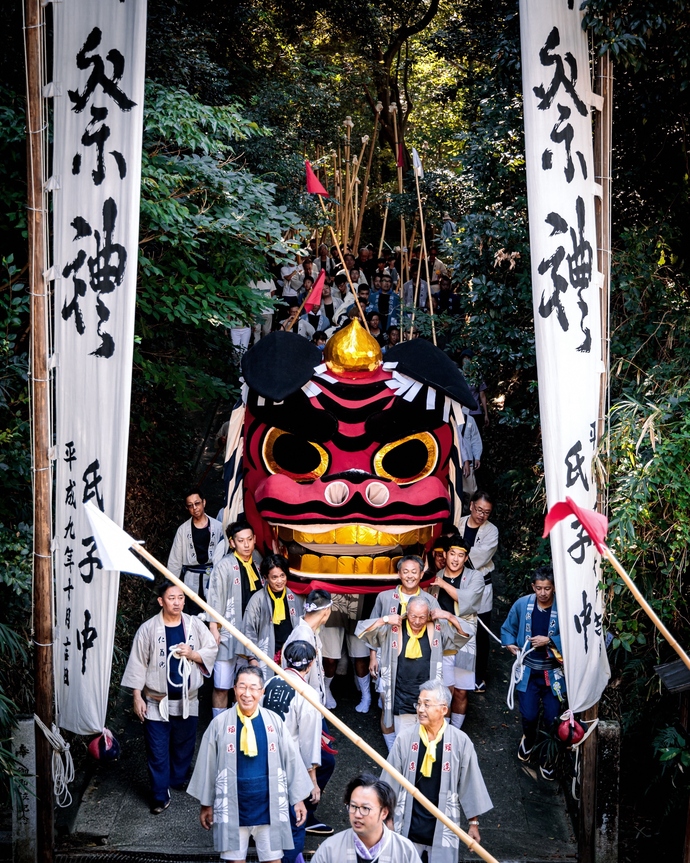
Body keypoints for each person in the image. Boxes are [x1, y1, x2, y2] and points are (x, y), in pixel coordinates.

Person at [189, 666, 313, 863]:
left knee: (273, 860)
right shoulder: (219, 724)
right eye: (242, 687)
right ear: (234, 688)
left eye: (253, 688)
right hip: (232, 806)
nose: (247, 694)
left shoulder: (275, 722)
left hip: (269, 805)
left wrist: (298, 799)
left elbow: (291, 759)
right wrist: (206, 804)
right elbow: (207, 764)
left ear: (262, 691)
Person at [122, 581, 218, 813]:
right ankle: (158, 794)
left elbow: (212, 648)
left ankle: (177, 778)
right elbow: (137, 662)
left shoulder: (194, 625)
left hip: (188, 698)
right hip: (156, 700)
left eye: (181, 598)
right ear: (161, 601)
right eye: (172, 598)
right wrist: (137, 696)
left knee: (184, 744)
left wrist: (193, 653)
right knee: (157, 749)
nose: (177, 602)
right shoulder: (148, 629)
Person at [386, 680, 493, 862]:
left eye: (427, 704)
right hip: (408, 823)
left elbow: (470, 783)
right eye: (419, 703)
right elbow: (389, 782)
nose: (420, 709)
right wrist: (387, 818)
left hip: (443, 825)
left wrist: (473, 824)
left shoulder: (461, 742)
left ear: (444, 709)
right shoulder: (404, 739)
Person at [355, 595, 468, 750]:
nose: (417, 621)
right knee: (405, 743)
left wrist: (447, 615)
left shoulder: (436, 628)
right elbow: (361, 630)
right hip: (402, 695)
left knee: (428, 744)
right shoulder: (394, 628)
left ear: (428, 615)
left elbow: (464, 634)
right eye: (413, 616)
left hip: (428, 696)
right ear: (406, 613)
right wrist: (386, 619)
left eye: (422, 617)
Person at [264, 640, 336, 858]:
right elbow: (308, 743)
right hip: (290, 763)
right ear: (311, 664)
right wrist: (312, 783)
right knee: (296, 820)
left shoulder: (269, 683)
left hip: (264, 757)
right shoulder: (308, 694)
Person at [501, 565, 565, 780]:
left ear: (554, 588)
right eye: (539, 588)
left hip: (553, 673)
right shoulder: (523, 604)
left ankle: (550, 755)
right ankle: (528, 739)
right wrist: (510, 644)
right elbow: (508, 628)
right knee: (528, 715)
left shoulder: (563, 607)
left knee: (553, 718)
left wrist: (551, 641)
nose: (543, 593)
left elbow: (575, 637)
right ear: (533, 587)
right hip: (528, 671)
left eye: (547, 588)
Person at [207, 521, 264, 717]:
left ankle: (238, 722)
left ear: (255, 539)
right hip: (228, 632)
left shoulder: (257, 561)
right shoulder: (224, 566)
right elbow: (214, 598)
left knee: (243, 686)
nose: (246, 545)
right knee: (222, 684)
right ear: (232, 543)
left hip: (251, 632)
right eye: (241, 541)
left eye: (249, 539)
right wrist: (213, 627)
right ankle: (218, 723)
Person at [428, 536, 483, 729]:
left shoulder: (474, 577)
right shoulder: (434, 576)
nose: (455, 559)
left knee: (461, 691)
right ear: (445, 554)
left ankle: (456, 730)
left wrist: (442, 584)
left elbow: (468, 601)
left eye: (461, 555)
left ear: (466, 557)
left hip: (464, 637)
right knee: (445, 689)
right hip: (440, 637)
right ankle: (445, 731)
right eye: (452, 553)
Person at [312, 773, 421, 863]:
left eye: (365, 808)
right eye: (353, 806)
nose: (357, 814)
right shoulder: (330, 848)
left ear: (384, 812)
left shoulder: (405, 850)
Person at [458, 492, 498, 694]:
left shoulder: (492, 531)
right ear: (472, 505)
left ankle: (478, 676)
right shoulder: (458, 521)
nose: (482, 515)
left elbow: (479, 556)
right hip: (456, 584)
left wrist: (456, 555)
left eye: (487, 512)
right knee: (457, 626)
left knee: (481, 633)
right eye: (479, 510)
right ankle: (457, 674)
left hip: (481, 585)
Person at [242, 554, 304, 679]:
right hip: (267, 653)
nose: (280, 581)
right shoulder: (258, 599)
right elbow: (248, 630)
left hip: (291, 653)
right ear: (266, 578)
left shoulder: (295, 597)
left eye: (282, 575)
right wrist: (252, 658)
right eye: (274, 577)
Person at [167, 489, 224, 616]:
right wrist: (170, 586)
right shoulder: (183, 530)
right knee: (194, 615)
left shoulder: (218, 527)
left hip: (213, 577)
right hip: (191, 579)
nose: (195, 508)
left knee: (215, 615)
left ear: (204, 502)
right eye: (190, 505)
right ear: (187, 508)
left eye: (197, 503)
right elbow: (175, 560)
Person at [281, 589, 333, 706]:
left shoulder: (308, 631)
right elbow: (299, 678)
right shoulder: (302, 638)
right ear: (326, 610)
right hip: (305, 704)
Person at [458, 407, 483, 497]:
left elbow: (475, 439)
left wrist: (477, 457)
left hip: (468, 461)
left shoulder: (470, 420)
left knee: (471, 490)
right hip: (453, 461)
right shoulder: (448, 419)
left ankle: (466, 509)